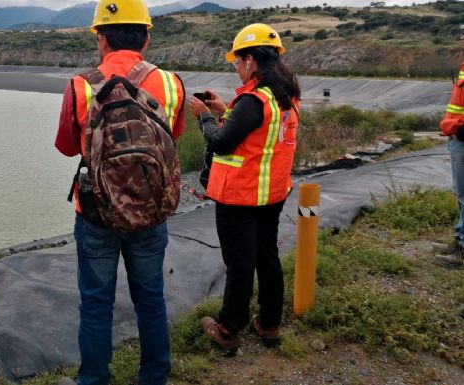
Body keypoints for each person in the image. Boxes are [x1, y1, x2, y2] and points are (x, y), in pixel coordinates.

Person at [54, 1, 185, 384]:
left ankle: (94, 380)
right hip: (151, 210)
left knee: (95, 305)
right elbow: (171, 139)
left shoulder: (81, 85)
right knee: (151, 301)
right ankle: (154, 377)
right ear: (145, 37)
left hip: (96, 211)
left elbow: (66, 147)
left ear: (101, 37)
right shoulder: (171, 83)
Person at [187, 23, 300, 349]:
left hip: (241, 197)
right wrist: (225, 111)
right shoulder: (284, 97)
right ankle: (269, 325)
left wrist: (204, 117)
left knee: (239, 265)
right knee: (267, 258)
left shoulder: (253, 100)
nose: (236, 69)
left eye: (236, 62)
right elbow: (253, 135)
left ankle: (227, 330)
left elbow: (222, 143)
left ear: (250, 61)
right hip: (272, 194)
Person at [434, 24, 464, 269]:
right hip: (457, 138)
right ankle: (460, 241)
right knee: (462, 196)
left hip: (462, 139)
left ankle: (462, 250)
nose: (461, 38)